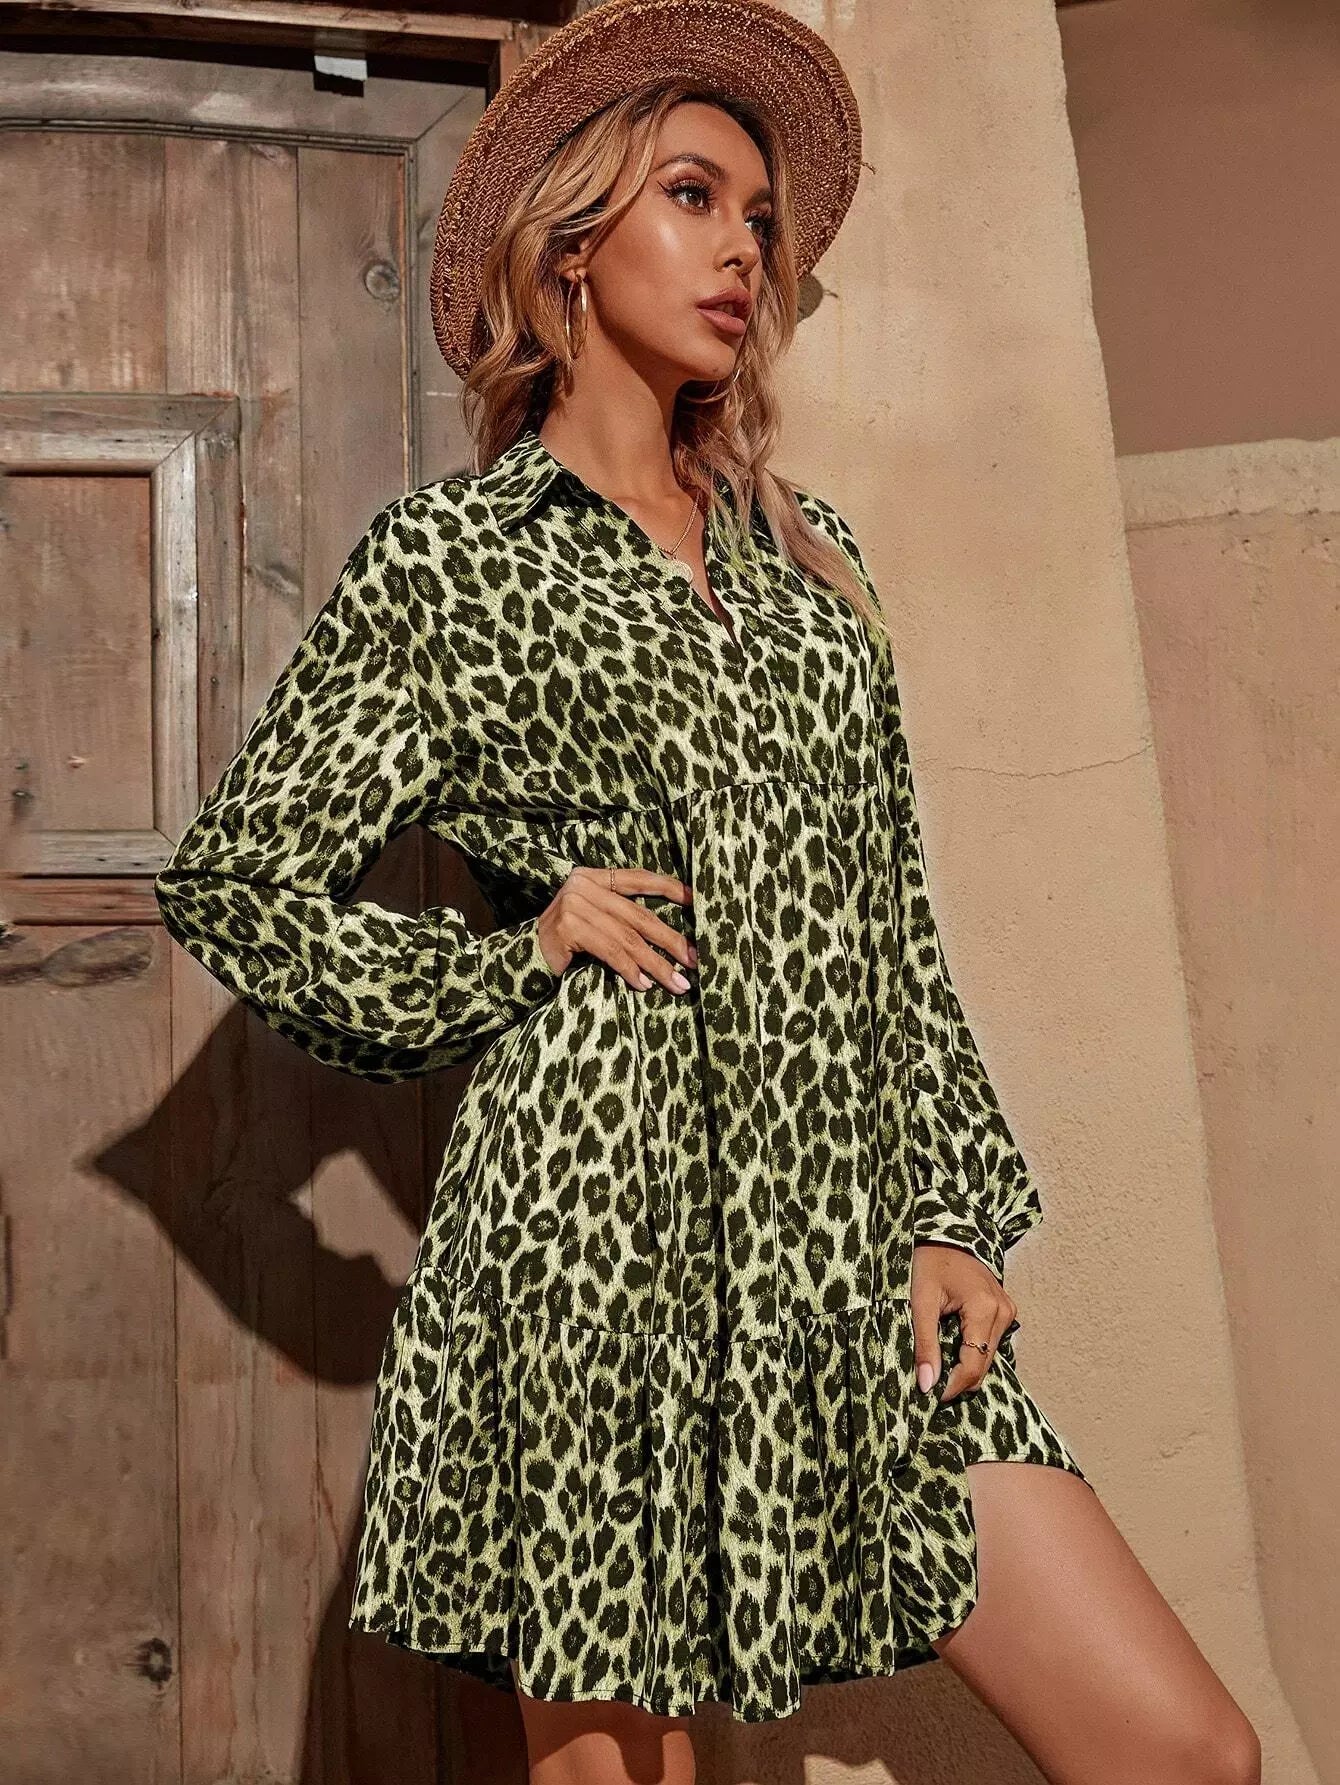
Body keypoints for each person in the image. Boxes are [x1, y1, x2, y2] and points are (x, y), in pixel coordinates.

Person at [154, 0, 1261, 1779]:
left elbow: (891, 928)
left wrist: (955, 1214)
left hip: (842, 1243)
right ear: (572, 244)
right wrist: (509, 958)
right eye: (692, 197)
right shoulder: (455, 563)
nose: (744, 247)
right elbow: (240, 881)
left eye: (758, 217)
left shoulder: (812, 564)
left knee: (1187, 1750)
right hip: (596, 1246)